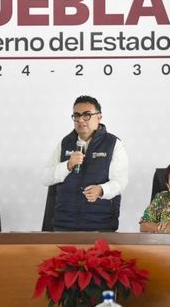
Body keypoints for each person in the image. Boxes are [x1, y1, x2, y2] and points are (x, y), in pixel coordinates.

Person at [41, 95, 128, 231]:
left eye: (87, 115)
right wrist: (68, 165)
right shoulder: (65, 143)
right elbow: (45, 178)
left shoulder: (113, 144)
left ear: (99, 117)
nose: (81, 120)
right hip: (64, 226)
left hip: (100, 226)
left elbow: (120, 182)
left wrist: (102, 190)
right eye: (76, 115)